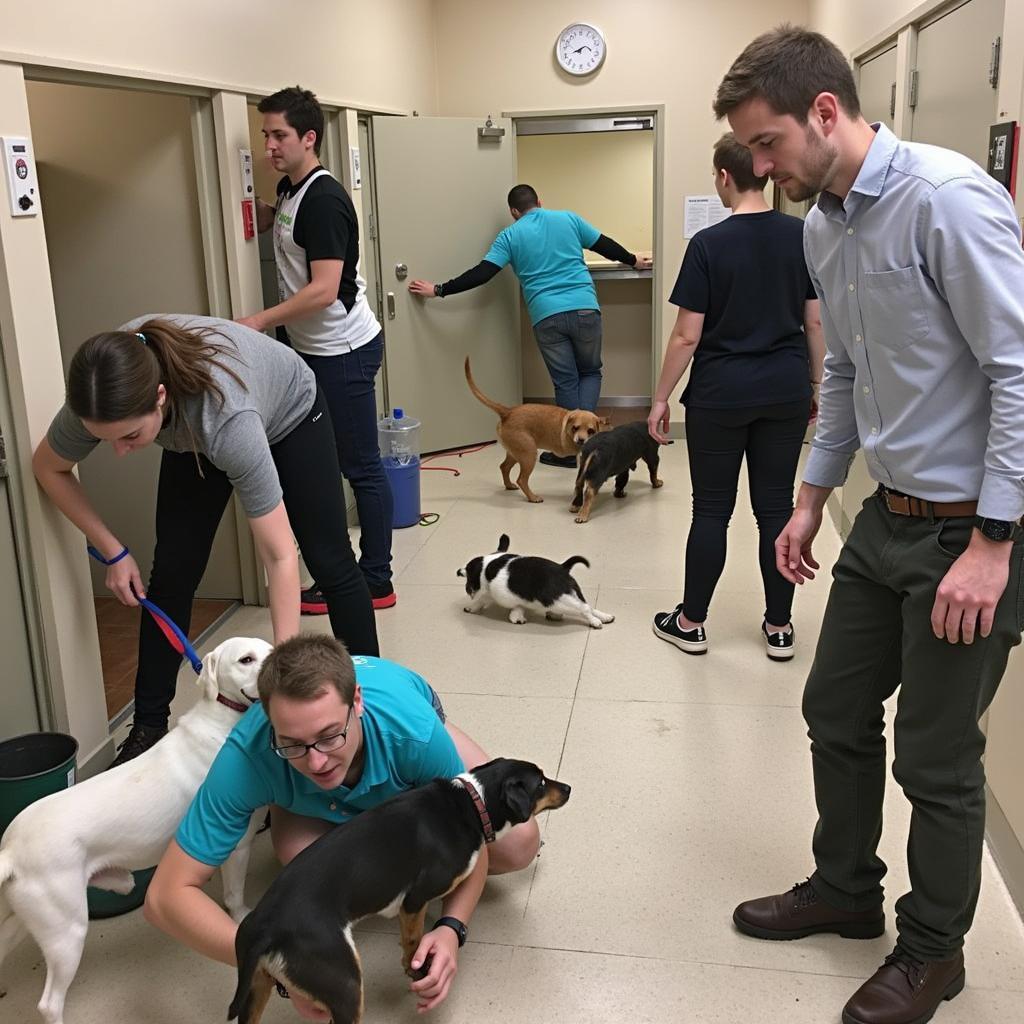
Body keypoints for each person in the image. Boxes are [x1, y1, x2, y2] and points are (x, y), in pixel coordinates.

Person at [716, 25, 1024, 1024]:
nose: (758, 168)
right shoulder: (823, 225)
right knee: (831, 710)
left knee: (933, 756)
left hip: (966, 536)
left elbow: (1017, 371)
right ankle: (844, 886)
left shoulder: (943, 199)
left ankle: (933, 951)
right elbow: (843, 367)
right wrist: (811, 495)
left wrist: (992, 542)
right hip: (881, 523)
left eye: (766, 146)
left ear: (824, 111)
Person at [33, 315, 379, 766]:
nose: (119, 451)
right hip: (192, 437)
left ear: (160, 397)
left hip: (291, 413)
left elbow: (278, 557)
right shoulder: (104, 384)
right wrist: (113, 550)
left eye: (131, 437)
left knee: (330, 561)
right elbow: (48, 467)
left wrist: (281, 687)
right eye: (106, 440)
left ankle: (374, 705)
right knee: (172, 576)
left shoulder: (226, 419)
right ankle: (148, 727)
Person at [144, 633, 540, 1020]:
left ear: (357, 703)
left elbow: (473, 819)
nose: (317, 762)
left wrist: (452, 927)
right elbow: (164, 898)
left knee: (518, 842)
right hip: (314, 789)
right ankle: (312, 797)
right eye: (293, 743)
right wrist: (274, 963)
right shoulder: (246, 756)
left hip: (405, 722)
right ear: (266, 721)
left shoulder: (413, 734)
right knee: (301, 858)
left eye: (330, 736)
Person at [649, 132, 823, 660]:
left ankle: (692, 622)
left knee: (711, 511)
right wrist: (815, 386)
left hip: (720, 395)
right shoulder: (802, 236)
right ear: (767, 172)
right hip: (784, 390)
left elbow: (686, 335)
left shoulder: (708, 245)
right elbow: (814, 321)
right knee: (775, 507)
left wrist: (660, 398)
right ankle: (779, 629)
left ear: (724, 176)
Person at [238, 85, 396, 614]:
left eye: (279, 135)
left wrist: (258, 321)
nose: (269, 146)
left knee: (360, 465)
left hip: (342, 350)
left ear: (309, 137)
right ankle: (337, 569)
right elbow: (284, 231)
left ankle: (376, 579)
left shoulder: (325, 199)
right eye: (265, 135)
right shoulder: (290, 190)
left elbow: (324, 290)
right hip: (310, 350)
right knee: (322, 464)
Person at [408, 184, 652, 467]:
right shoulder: (568, 219)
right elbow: (604, 244)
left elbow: (483, 273)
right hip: (585, 308)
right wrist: (633, 260)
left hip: (546, 315)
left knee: (565, 379)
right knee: (590, 371)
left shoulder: (510, 235)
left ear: (514, 212)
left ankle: (570, 450)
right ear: (539, 201)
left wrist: (438, 289)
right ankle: (589, 443)